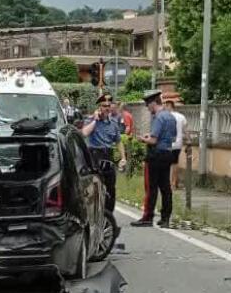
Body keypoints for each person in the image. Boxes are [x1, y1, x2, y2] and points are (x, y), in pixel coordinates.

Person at [132, 90, 178, 228]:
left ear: (153, 103)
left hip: (156, 155)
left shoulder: (158, 117)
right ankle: (165, 218)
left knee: (151, 188)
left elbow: (153, 140)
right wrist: (151, 136)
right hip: (168, 153)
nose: (147, 108)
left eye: (148, 105)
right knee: (165, 188)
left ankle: (148, 217)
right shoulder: (171, 117)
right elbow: (172, 136)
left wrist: (142, 139)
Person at [80, 93, 127, 212]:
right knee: (94, 186)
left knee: (111, 187)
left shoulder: (113, 123)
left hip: (108, 155)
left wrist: (123, 158)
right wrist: (95, 120)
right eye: (104, 105)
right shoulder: (91, 120)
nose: (106, 108)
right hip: (95, 155)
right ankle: (93, 212)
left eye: (108, 105)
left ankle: (108, 215)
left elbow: (118, 141)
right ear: (99, 107)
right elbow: (84, 133)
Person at [165, 94, 188, 188]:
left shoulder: (165, 117)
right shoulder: (181, 117)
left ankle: (168, 182)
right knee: (175, 163)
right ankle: (174, 183)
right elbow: (186, 131)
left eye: (166, 105)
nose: (164, 107)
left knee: (167, 163)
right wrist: (188, 143)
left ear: (170, 106)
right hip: (178, 144)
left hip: (167, 144)